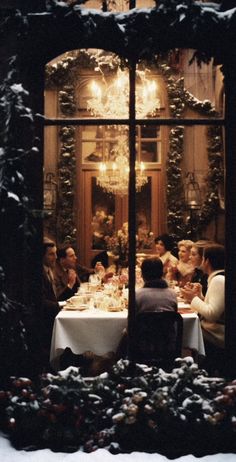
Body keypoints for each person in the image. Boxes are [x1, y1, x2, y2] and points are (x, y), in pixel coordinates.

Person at [180, 244, 225, 372]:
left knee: (184, 330)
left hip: (218, 334)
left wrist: (192, 298)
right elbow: (215, 307)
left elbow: (212, 314)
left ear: (207, 261)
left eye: (203, 257)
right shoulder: (218, 278)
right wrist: (199, 296)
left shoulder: (219, 280)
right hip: (214, 330)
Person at [42, 238, 61, 354]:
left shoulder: (49, 270)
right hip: (45, 321)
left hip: (52, 315)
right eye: (51, 254)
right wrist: (60, 305)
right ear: (42, 255)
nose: (56, 257)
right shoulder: (39, 273)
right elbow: (41, 302)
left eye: (56, 253)